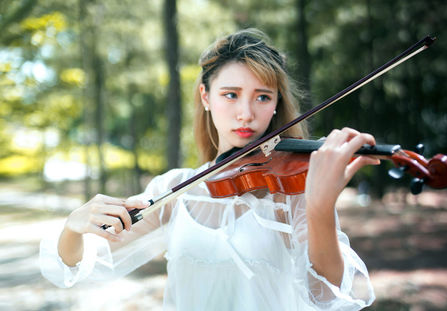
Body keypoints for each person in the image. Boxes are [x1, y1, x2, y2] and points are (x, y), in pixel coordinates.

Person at [40, 28, 377, 310]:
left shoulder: (293, 192)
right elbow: (77, 265)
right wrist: (73, 228)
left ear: (276, 105)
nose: (246, 113)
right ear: (205, 96)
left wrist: (319, 206)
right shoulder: (175, 191)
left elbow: (328, 295)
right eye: (231, 95)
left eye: (262, 97)